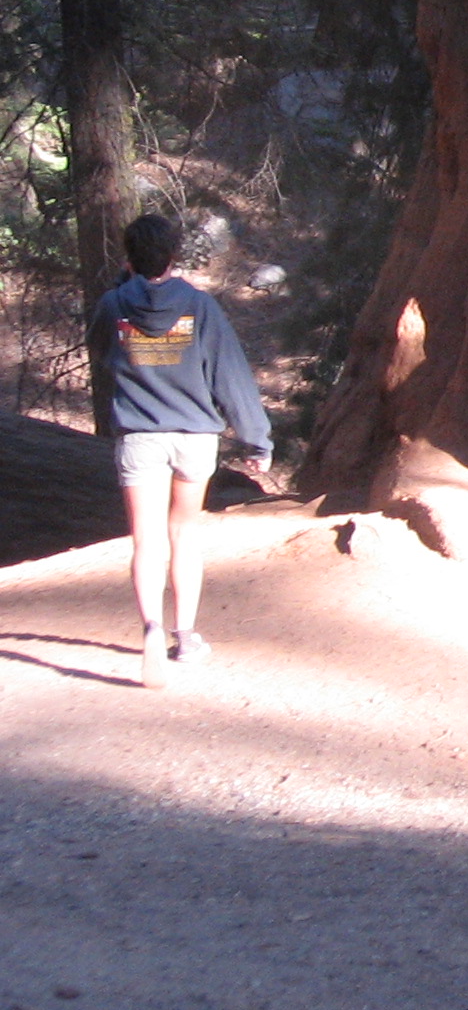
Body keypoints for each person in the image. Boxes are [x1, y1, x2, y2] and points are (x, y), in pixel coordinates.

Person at [86, 214, 271, 688]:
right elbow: (229, 375)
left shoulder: (112, 305)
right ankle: (184, 637)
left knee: (146, 539)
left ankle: (150, 627)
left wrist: (124, 289)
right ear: (173, 256)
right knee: (184, 533)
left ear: (128, 258)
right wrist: (256, 439)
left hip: (139, 436)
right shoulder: (200, 306)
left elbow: (101, 352)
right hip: (194, 436)